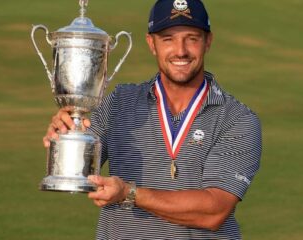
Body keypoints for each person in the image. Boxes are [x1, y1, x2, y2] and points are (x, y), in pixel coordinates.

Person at [43, 0, 262, 239]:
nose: (180, 50)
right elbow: (80, 171)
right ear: (151, 43)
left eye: (192, 38)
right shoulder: (119, 101)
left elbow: (214, 211)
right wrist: (67, 133)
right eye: (168, 38)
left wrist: (128, 193)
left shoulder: (237, 118)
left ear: (208, 42)